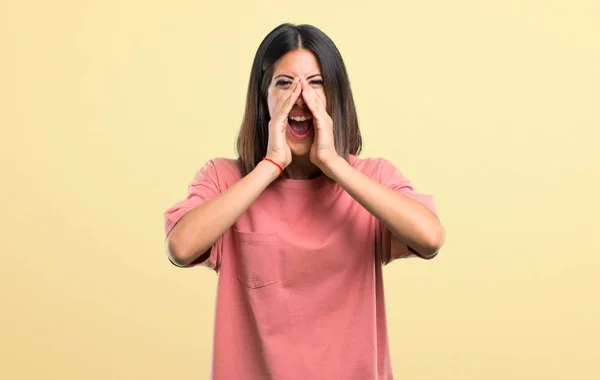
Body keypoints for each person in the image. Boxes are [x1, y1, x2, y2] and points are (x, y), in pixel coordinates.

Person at [163, 23, 445, 380]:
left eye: (316, 83)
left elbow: (430, 237)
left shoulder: (371, 179)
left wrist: (333, 163)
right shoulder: (224, 179)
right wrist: (270, 165)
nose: (301, 97)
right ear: (263, 97)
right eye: (285, 83)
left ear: (335, 98)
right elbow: (181, 247)